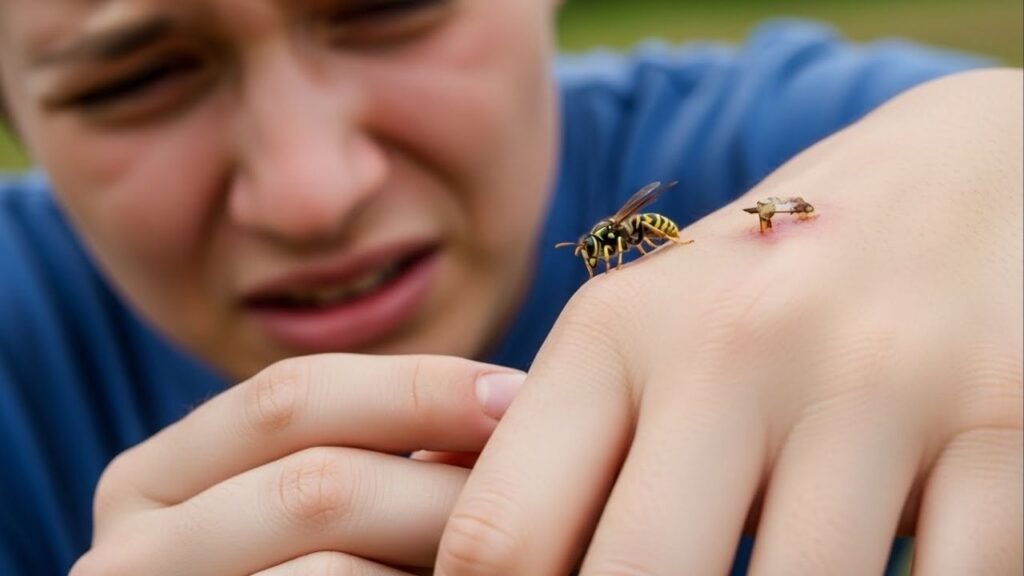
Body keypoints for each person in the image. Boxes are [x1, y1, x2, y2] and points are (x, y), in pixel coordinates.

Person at [0, 0, 1020, 574]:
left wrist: (988, 143)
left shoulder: (783, 129)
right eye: (130, 83)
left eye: (388, 10)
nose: (311, 193)